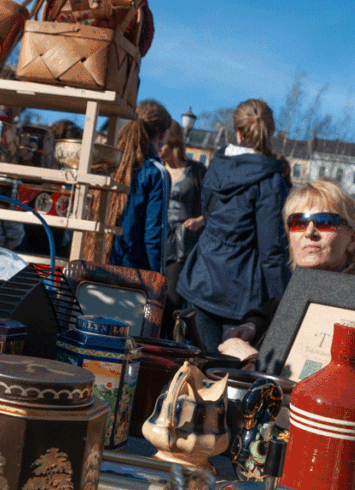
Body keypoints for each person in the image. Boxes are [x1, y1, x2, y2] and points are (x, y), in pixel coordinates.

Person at [177, 99, 290, 354]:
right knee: (231, 376)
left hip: (201, 278)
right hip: (240, 293)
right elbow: (271, 249)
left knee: (199, 370)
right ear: (270, 132)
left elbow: (209, 215)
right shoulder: (271, 181)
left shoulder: (216, 166)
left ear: (237, 131)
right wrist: (285, 300)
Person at [218, 179, 355, 362]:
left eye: (325, 221)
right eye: (298, 222)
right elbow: (273, 309)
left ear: (352, 240)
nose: (309, 232)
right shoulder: (297, 292)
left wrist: (252, 360)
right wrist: (254, 326)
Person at [109, 100, 172, 273]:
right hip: (135, 272)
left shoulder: (111, 162)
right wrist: (158, 278)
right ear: (163, 134)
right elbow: (154, 235)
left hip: (100, 259)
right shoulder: (157, 173)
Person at [160, 120, 206, 335]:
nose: (159, 147)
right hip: (157, 234)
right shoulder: (156, 166)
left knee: (172, 296)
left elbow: (212, 204)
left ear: (174, 142)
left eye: (163, 143)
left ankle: (167, 341)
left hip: (181, 241)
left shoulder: (196, 170)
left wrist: (200, 220)